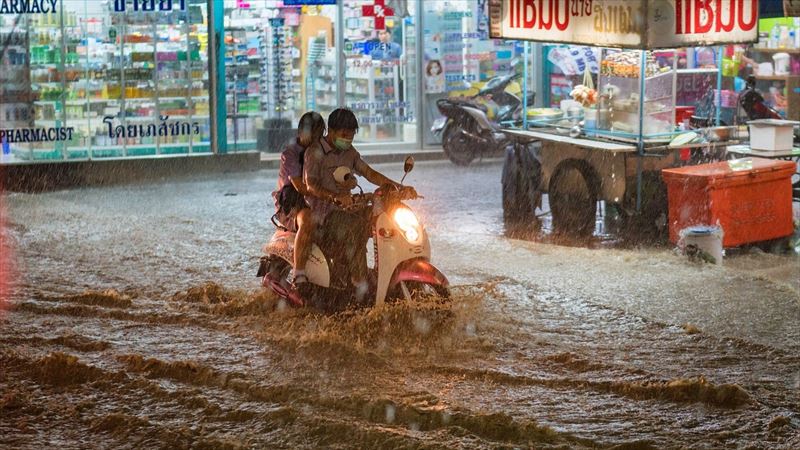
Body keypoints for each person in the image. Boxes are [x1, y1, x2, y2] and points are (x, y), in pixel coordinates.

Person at [297, 107, 414, 302]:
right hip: (323, 214)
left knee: (384, 218)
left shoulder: (350, 153)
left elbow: (369, 173)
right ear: (331, 131)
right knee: (355, 227)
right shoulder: (314, 152)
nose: (348, 140)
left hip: (348, 208)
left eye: (351, 136)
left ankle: (386, 272)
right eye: (344, 135)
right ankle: (358, 282)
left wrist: (398, 188)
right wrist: (335, 197)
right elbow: (311, 185)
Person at [272, 111, 326, 232]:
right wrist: (330, 195)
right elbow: (300, 188)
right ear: (300, 132)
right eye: (312, 135)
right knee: (307, 220)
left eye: (319, 136)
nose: (315, 140)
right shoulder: (290, 154)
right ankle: (300, 251)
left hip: (316, 201)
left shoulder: (321, 151)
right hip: (292, 204)